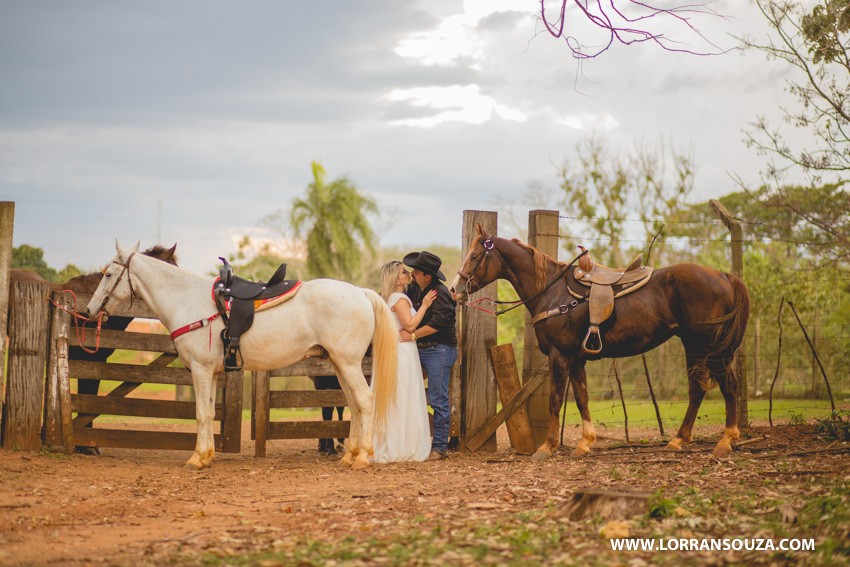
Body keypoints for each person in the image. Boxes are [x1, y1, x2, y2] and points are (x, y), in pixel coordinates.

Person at [371, 260, 437, 463]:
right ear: (395, 278)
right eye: (403, 272)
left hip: (396, 350)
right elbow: (409, 326)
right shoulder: (400, 298)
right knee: (403, 394)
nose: (408, 274)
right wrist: (425, 305)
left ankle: (394, 442)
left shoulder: (389, 298)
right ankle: (403, 445)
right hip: (403, 351)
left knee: (396, 395)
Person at [401, 250, 458, 461]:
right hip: (423, 348)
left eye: (416, 272)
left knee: (438, 398)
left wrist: (412, 335)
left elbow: (438, 324)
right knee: (414, 394)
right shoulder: (415, 290)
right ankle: (420, 442)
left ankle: (440, 447)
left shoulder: (439, 293)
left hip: (439, 349)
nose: (413, 274)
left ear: (427, 276)